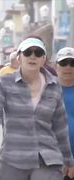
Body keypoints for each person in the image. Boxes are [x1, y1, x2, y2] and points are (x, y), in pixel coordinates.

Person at [0, 37, 74, 180]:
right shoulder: (4, 82)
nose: (33, 56)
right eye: (27, 52)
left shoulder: (54, 85)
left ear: (43, 59)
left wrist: (69, 160)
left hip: (48, 159)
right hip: (13, 158)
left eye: (38, 53)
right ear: (19, 57)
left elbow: (60, 126)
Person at [55, 47, 74, 180]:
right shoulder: (44, 90)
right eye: (63, 63)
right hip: (51, 161)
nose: (68, 67)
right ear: (56, 65)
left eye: (72, 63)